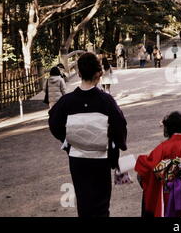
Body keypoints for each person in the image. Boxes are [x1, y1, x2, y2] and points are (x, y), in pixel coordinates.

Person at [49, 52, 128, 217]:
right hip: (101, 156)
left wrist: (68, 139)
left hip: (78, 157)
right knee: (101, 201)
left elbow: (54, 123)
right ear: (99, 74)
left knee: (83, 199)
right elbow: (119, 124)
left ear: (79, 73)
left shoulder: (67, 101)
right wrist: (119, 143)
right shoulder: (106, 100)